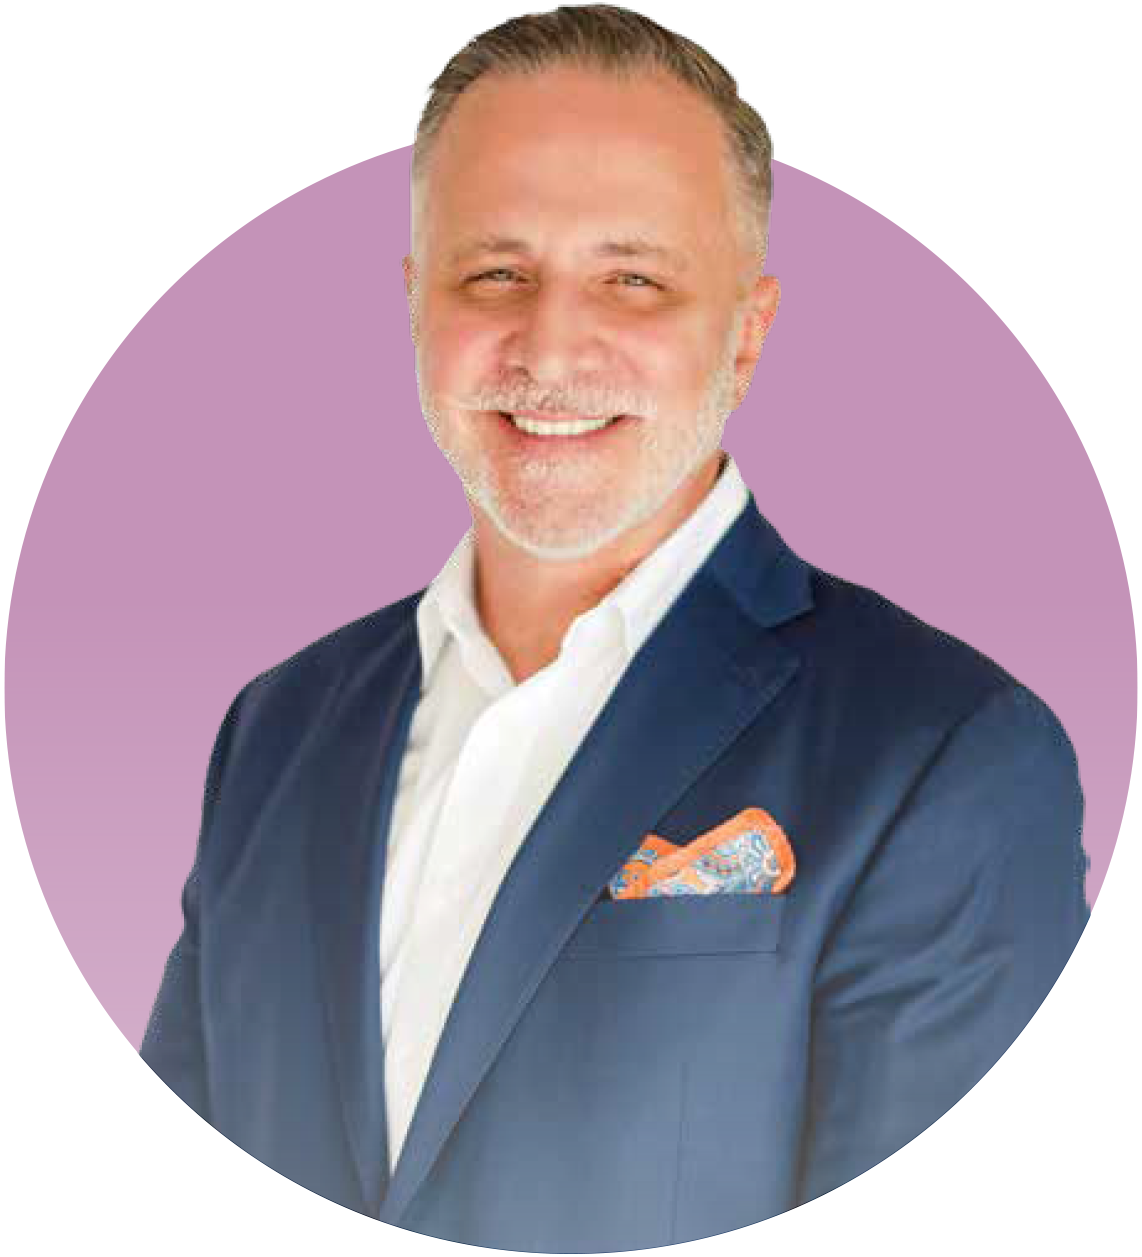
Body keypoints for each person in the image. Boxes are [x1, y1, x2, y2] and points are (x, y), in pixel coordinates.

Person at [140, 6, 1090, 1251]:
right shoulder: (272, 727)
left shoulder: (963, 747)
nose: (550, 346)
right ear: (415, 305)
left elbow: (1056, 1221)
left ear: (745, 335)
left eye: (631, 279)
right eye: (495, 273)